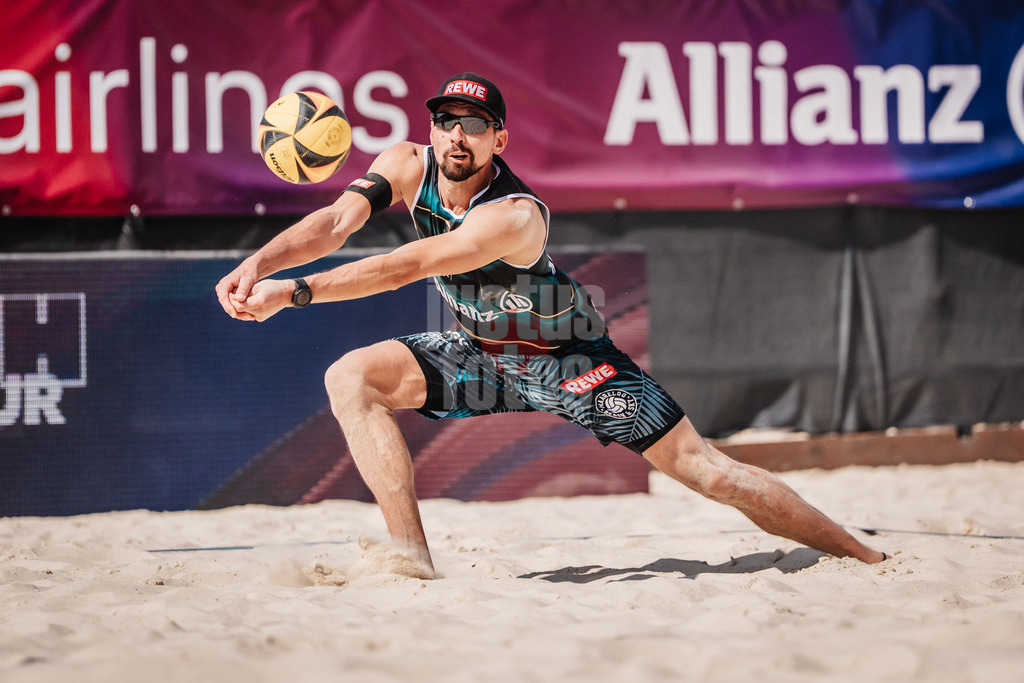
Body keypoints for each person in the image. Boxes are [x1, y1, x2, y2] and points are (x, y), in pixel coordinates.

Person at [216, 73, 887, 575]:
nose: (456, 135)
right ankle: (410, 560)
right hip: (482, 353)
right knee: (351, 378)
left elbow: (405, 266)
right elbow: (337, 222)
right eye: (446, 121)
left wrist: (293, 292)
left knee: (710, 473)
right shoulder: (405, 165)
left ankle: (864, 556)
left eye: (474, 124)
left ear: (498, 139)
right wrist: (259, 263)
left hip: (569, 362)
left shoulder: (514, 214)